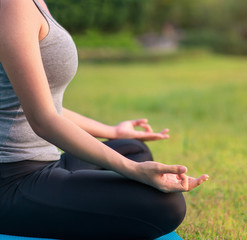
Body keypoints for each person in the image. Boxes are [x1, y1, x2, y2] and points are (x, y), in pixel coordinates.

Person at [0, 0, 209, 239]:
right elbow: (43, 119)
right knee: (168, 206)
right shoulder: (13, 5)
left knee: (132, 149)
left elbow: (45, 106)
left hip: (46, 161)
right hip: (11, 180)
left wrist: (113, 131)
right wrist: (134, 171)